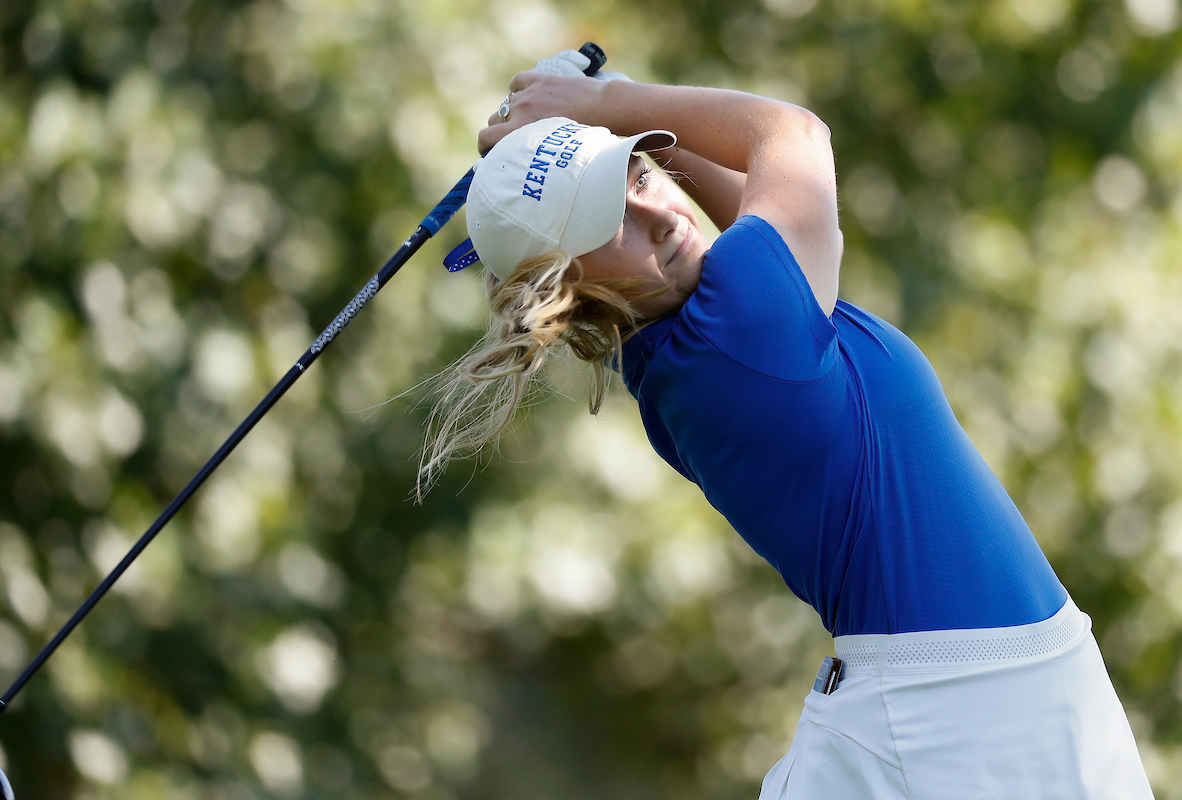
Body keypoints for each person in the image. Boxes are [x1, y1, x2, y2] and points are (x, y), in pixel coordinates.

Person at [421, 50, 1154, 798]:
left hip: (980, 699)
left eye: (637, 177)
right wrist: (609, 103)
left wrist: (598, 112)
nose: (660, 216)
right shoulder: (736, 333)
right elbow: (794, 137)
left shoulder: (682, 334)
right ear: (567, 287)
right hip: (959, 717)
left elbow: (771, 212)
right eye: (609, 222)